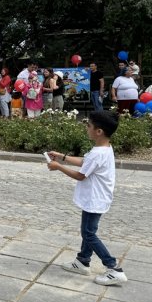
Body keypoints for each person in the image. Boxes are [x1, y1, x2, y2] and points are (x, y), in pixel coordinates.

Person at [47, 111, 127, 286]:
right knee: (88, 231)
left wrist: (58, 166)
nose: (86, 128)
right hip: (96, 198)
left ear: (98, 131)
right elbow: (86, 161)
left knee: (88, 233)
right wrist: (63, 157)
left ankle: (113, 268)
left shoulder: (99, 153)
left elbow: (81, 175)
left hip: (95, 199)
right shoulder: (103, 149)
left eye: (89, 125)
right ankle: (83, 261)